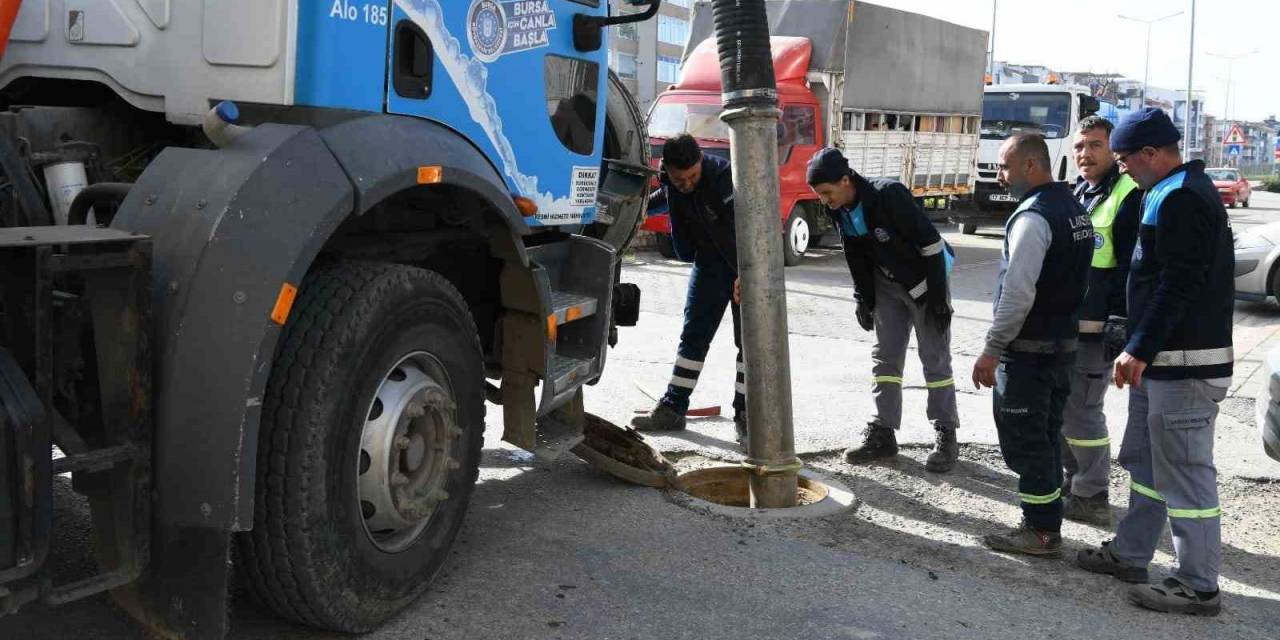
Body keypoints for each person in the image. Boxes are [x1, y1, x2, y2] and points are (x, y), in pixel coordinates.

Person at [1076, 108, 1235, 617]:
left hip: (1185, 366)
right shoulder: (1166, 191)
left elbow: (1179, 283)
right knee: (1146, 464)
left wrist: (1138, 346)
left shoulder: (1184, 197)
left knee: (1186, 474)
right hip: (1160, 363)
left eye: (1124, 159)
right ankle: (1131, 552)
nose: (1122, 169)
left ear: (1150, 154)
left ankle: (1198, 585)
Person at [805, 147, 960, 473]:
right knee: (885, 358)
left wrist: (937, 301)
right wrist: (863, 297)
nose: (823, 200)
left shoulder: (888, 195)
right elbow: (854, 253)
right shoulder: (840, 208)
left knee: (934, 357)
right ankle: (883, 431)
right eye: (819, 195)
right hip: (886, 284)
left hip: (924, 280)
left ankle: (946, 432)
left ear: (846, 180)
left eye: (827, 192)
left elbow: (931, 244)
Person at [973, 133, 1092, 557]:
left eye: (1004, 166)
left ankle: (1042, 532)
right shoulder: (1074, 209)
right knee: (1044, 437)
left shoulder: (1033, 218)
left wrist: (992, 349)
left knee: (1028, 444)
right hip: (1062, 350)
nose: (1000, 175)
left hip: (1028, 355)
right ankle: (1044, 523)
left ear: (1030, 165)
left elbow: (1018, 294)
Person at [632, 134, 747, 447]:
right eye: (679, 178)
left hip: (742, 266)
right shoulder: (671, 182)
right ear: (666, 169)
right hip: (709, 263)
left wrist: (747, 273)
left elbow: (750, 227)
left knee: (749, 344)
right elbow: (666, 197)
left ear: (701, 164)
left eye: (692, 177)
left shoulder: (724, 178)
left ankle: (747, 416)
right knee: (693, 336)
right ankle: (673, 408)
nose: (686, 184)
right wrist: (640, 210)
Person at [1059, 116, 1142, 527]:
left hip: (1097, 330)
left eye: (1094, 145)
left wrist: (1120, 320)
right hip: (1070, 324)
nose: (1085, 154)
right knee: (1064, 410)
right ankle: (1074, 483)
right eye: (1079, 146)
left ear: (1112, 149)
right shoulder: (1081, 192)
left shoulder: (1128, 194)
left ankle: (1092, 496)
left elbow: (1133, 266)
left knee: (1083, 413)